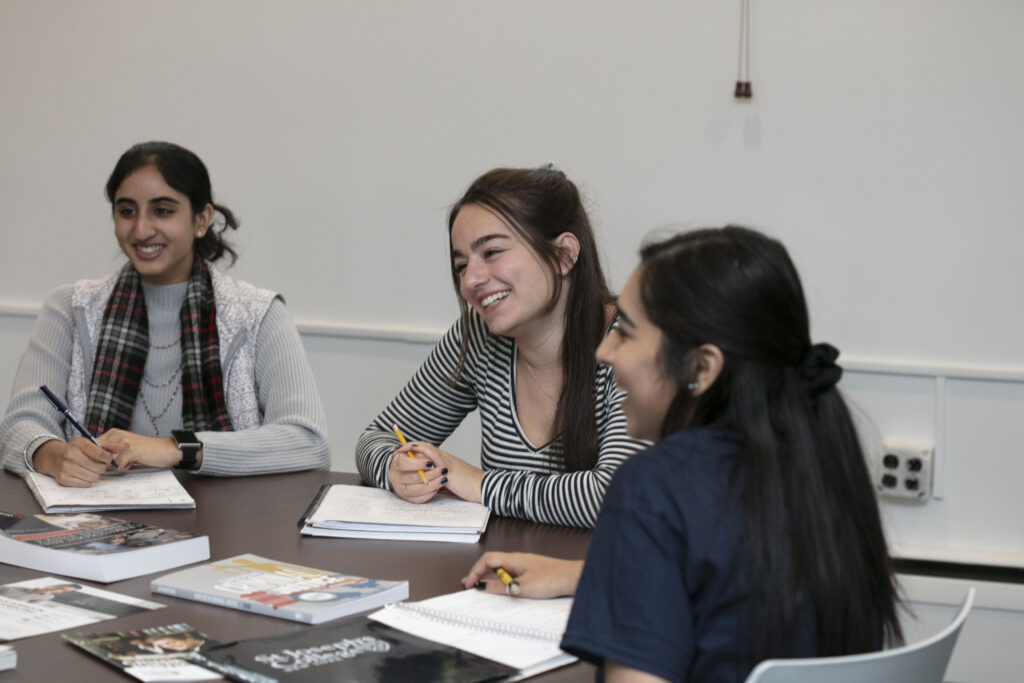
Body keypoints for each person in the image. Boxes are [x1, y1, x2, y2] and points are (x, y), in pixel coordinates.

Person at [463, 227, 904, 681]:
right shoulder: (820, 459)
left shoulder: (653, 486)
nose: (602, 352)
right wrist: (591, 574)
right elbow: (737, 583)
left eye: (626, 334)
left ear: (701, 367)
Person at [0, 141, 329, 486]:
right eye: (127, 211)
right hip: (93, 523)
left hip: (224, 526)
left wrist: (177, 448)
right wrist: (51, 454)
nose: (141, 230)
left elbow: (309, 441)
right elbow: (20, 426)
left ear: (201, 220)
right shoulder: (69, 307)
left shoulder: (258, 314)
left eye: (162, 211)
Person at [356, 166, 646, 528]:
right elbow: (376, 439)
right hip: (509, 574)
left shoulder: (638, 344)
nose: (471, 281)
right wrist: (396, 469)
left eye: (492, 252)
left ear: (564, 255)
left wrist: (478, 483)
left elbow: (618, 497)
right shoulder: (478, 336)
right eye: (461, 265)